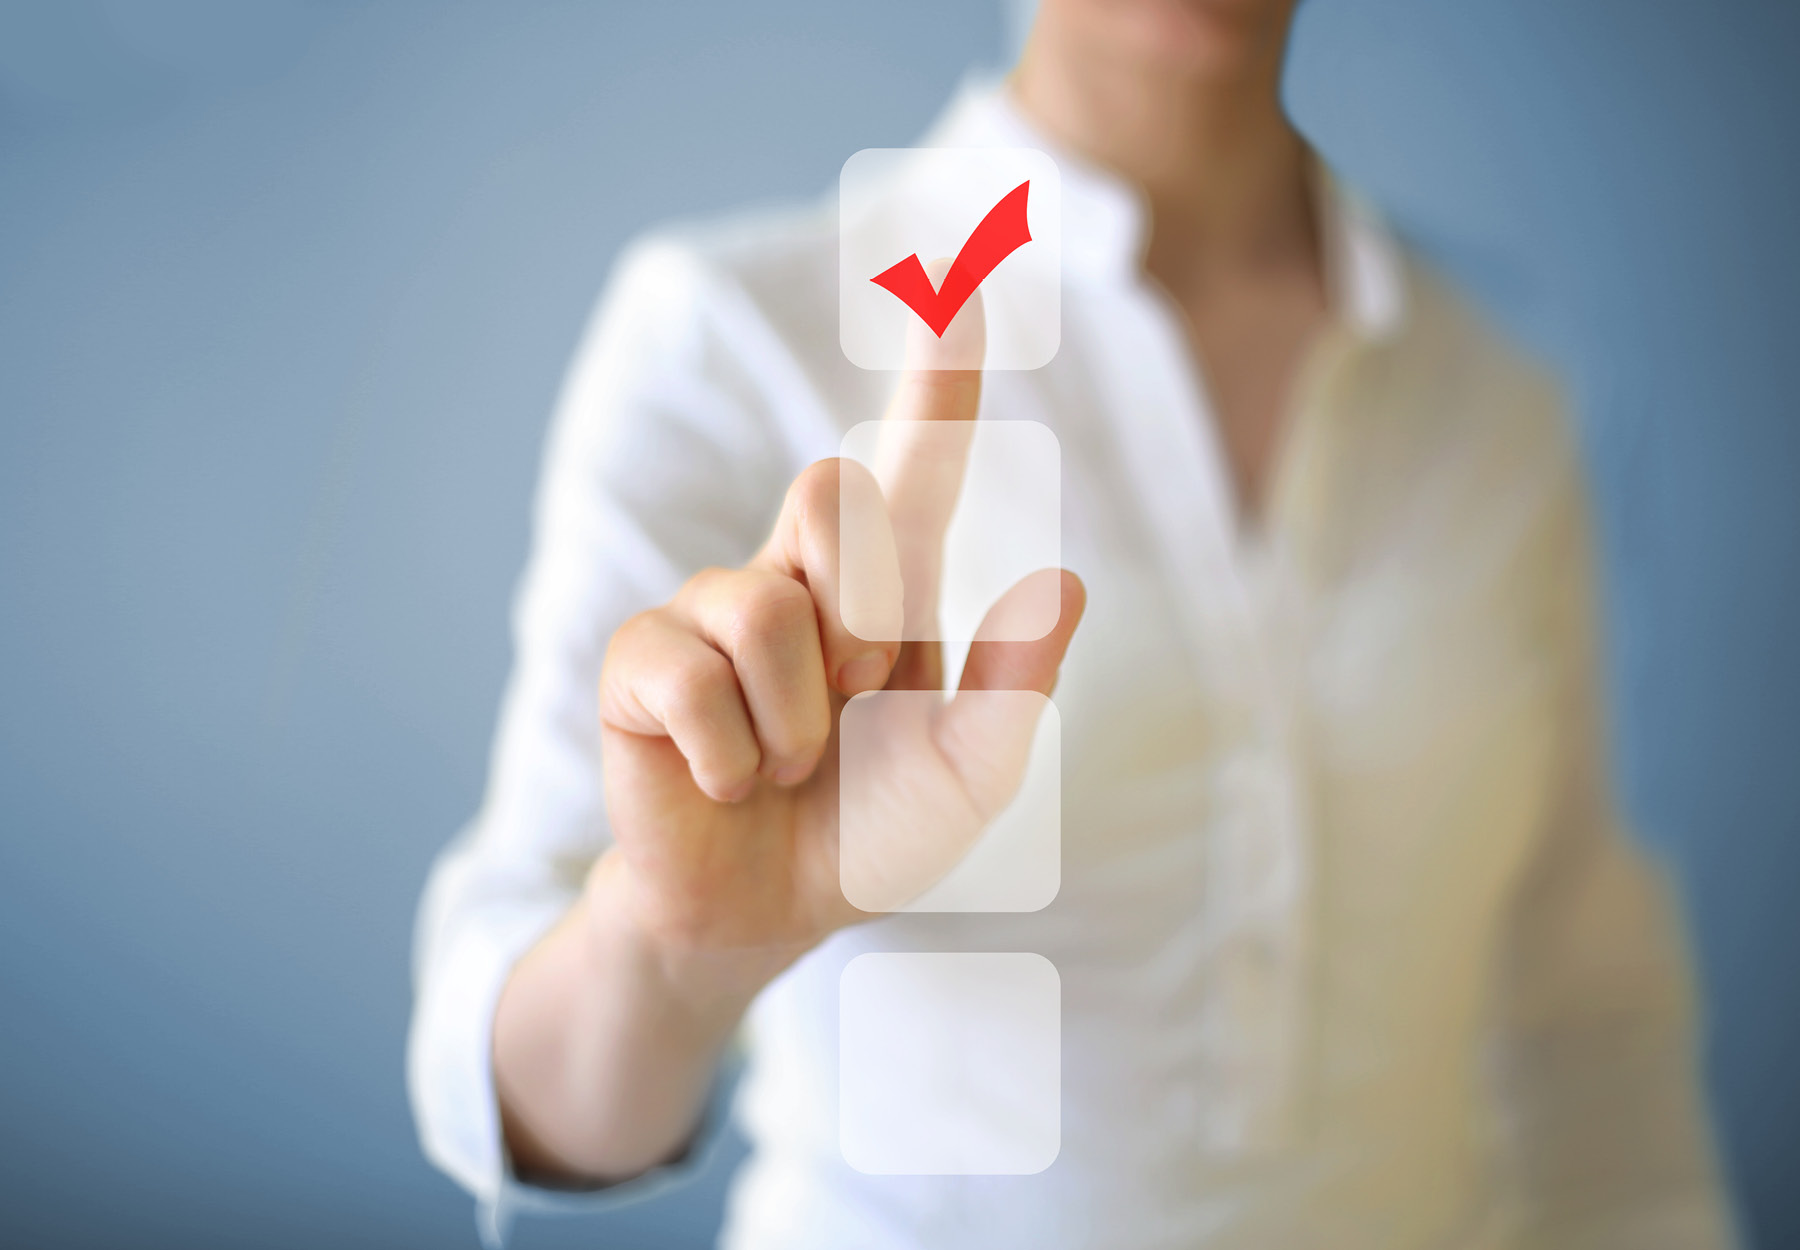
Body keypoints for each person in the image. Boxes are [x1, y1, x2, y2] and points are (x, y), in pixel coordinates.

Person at [408, 0, 1734, 1246]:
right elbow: (500, 1073)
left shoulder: (1498, 394)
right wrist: (673, 946)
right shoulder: (731, 332)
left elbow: (1588, 1030)